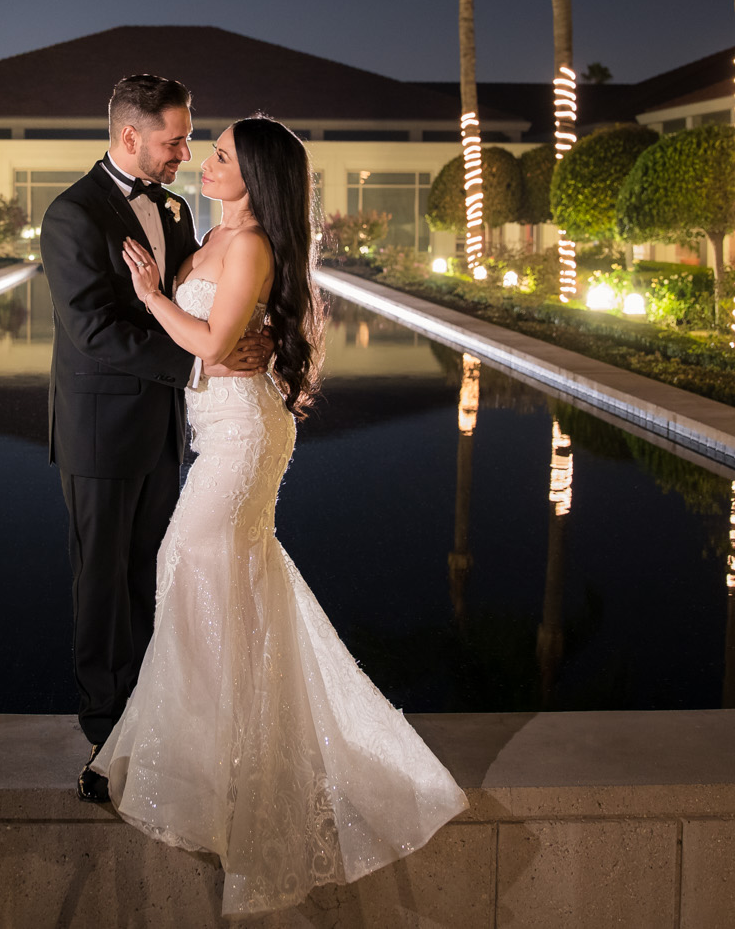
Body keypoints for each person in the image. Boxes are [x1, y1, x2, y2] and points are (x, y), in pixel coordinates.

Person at [88, 114, 467, 918]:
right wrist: (183, 310)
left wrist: (155, 296)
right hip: (219, 431)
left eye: (220, 153)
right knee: (221, 581)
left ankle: (217, 771)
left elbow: (211, 340)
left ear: (253, 175)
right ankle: (202, 759)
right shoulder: (217, 232)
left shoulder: (252, 244)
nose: (204, 159)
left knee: (195, 567)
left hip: (242, 439)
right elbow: (213, 341)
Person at [39, 74, 272, 804]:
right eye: (175, 139)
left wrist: (239, 337)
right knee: (101, 583)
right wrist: (200, 357)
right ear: (130, 135)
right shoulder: (72, 214)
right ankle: (105, 733)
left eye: (190, 137)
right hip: (100, 430)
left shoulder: (176, 208)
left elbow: (204, 297)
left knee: (153, 577)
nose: (186, 151)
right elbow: (93, 329)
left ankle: (157, 721)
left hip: (170, 429)